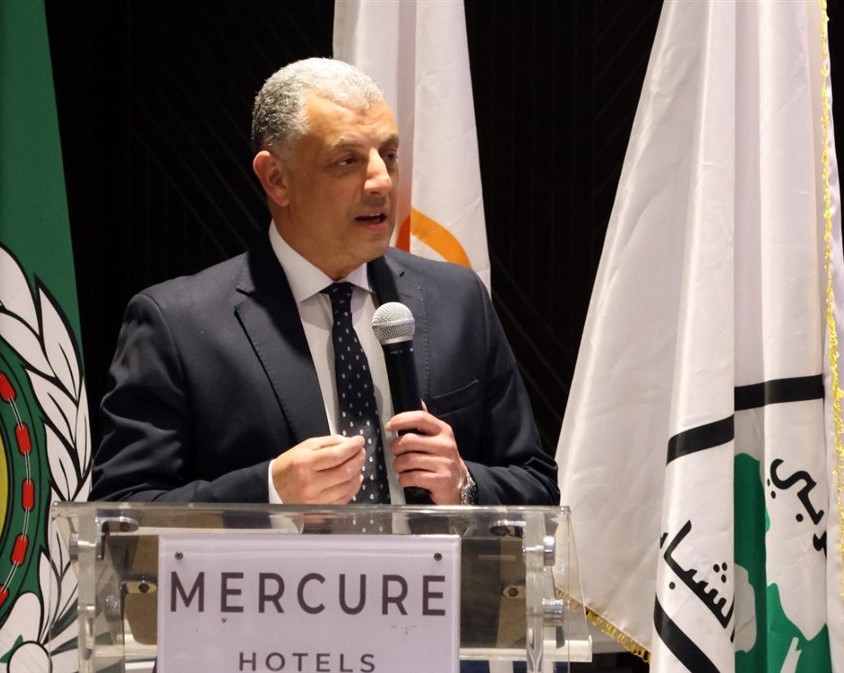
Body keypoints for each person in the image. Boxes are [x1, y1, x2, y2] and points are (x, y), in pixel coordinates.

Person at [92, 58, 557, 506]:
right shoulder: (178, 325)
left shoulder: (456, 300)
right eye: (347, 161)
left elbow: (536, 484)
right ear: (277, 179)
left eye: (389, 155)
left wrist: (463, 484)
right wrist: (270, 492)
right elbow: (123, 511)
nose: (382, 181)